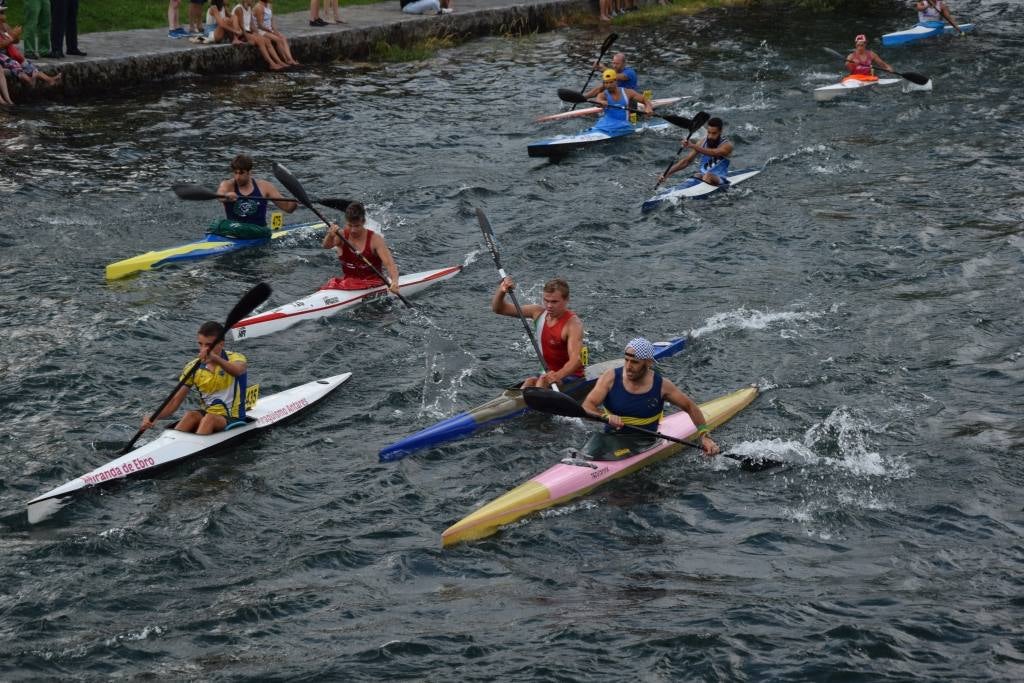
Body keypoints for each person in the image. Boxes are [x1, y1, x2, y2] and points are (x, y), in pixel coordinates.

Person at [580, 337, 719, 460]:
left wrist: (704, 436)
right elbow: (586, 406)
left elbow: (690, 407)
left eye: (634, 362)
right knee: (587, 451)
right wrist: (604, 416)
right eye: (626, 360)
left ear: (648, 363)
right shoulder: (609, 378)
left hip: (644, 442)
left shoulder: (662, 386)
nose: (628, 367)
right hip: (610, 437)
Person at [139, 321, 249, 437]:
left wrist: (215, 358)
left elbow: (237, 371)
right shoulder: (192, 367)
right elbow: (175, 401)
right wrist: (154, 416)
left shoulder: (236, 358)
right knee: (191, 415)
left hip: (233, 418)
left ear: (221, 344)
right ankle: (172, 442)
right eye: (201, 344)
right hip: (207, 414)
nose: (203, 349)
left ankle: (196, 445)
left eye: (208, 345)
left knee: (209, 419)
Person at [491, 276, 585, 390]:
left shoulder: (573, 324)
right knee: (529, 381)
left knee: (542, 381)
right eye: (546, 300)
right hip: (547, 374)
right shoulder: (537, 312)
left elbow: (577, 360)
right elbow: (499, 309)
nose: (549, 305)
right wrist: (502, 291)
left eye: (554, 302)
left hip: (572, 377)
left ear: (566, 300)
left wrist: (557, 375)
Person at [322, 202, 401, 294]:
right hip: (347, 283)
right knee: (332, 282)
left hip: (373, 283)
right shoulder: (342, 235)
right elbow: (326, 246)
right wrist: (330, 235)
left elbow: (389, 264)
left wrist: (395, 282)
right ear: (346, 222)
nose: (353, 230)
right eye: (350, 225)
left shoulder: (375, 240)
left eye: (357, 226)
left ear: (363, 222)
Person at [215, 154, 297, 226]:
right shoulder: (227, 185)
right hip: (233, 232)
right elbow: (220, 195)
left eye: (241, 173)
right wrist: (226, 196)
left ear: (250, 172)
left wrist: (296, 200)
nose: (237, 177)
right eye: (235, 173)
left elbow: (288, 208)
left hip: (258, 232)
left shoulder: (265, 187)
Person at [657, 116, 733, 187]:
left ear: (720, 131)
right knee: (696, 175)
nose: (710, 136)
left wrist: (692, 146)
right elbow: (686, 161)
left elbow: (714, 153)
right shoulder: (702, 142)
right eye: (709, 132)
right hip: (703, 176)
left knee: (708, 176)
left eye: (714, 133)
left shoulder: (727, 145)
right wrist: (667, 173)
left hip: (719, 179)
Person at [590, 68, 651, 136]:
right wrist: (601, 103)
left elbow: (645, 100)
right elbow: (598, 101)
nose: (608, 85)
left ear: (616, 81)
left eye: (611, 82)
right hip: (606, 125)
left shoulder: (627, 92)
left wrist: (648, 107)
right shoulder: (602, 95)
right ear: (604, 84)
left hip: (623, 125)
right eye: (606, 83)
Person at [232, 0, 287, 71]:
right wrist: (248, 37)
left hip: (248, 31)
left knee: (267, 40)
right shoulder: (239, 9)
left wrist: (257, 33)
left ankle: (279, 61)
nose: (253, 1)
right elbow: (241, 26)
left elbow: (252, 24)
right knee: (261, 41)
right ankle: (271, 63)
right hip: (242, 33)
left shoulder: (249, 7)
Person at [254, 0, 299, 67]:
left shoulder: (269, 5)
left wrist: (275, 30)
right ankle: (285, 60)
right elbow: (260, 25)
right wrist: (270, 31)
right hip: (260, 30)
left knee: (283, 37)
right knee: (278, 40)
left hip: (269, 29)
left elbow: (271, 20)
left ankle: (290, 59)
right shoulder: (259, 8)